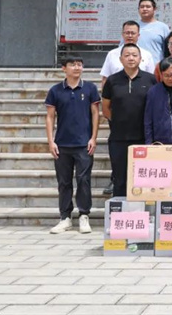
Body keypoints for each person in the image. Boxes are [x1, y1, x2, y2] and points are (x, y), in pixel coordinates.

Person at [45, 55, 100, 234]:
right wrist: (51, 141)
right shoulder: (55, 90)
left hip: (84, 143)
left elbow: (95, 113)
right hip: (62, 144)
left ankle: (84, 215)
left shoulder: (90, 88)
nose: (77, 67)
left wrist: (93, 138)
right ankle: (65, 217)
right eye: (72, 65)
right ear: (64, 68)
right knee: (64, 181)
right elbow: (50, 116)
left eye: (79, 64)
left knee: (83, 180)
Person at [102, 44, 156, 198]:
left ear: (140, 58)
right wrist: (118, 122)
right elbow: (106, 108)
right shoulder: (112, 80)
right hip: (119, 139)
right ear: (120, 59)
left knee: (143, 178)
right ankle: (120, 210)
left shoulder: (150, 79)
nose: (131, 58)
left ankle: (143, 210)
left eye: (134, 55)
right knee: (120, 179)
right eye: (127, 55)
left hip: (143, 138)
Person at [100, 20, 155, 88]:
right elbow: (105, 78)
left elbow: (151, 79)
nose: (130, 36)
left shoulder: (147, 55)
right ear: (122, 34)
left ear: (138, 35)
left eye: (133, 33)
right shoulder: (112, 54)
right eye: (127, 33)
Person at [137, 0, 170, 65]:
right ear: (138, 9)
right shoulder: (133, 27)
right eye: (142, 7)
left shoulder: (163, 27)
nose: (144, 9)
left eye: (148, 6)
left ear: (154, 9)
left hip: (157, 67)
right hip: (136, 67)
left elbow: (168, 49)